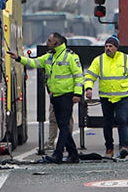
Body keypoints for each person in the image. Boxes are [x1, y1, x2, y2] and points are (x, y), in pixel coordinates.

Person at [9, 32, 83, 164]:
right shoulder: (49, 57)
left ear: (56, 43)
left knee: (64, 125)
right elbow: (34, 62)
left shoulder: (71, 57)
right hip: (55, 96)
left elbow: (78, 76)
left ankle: (58, 154)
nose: (47, 43)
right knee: (62, 125)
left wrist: (77, 94)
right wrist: (19, 58)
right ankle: (73, 155)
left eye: (49, 41)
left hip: (67, 96)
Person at [83, 36, 128, 159]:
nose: (108, 48)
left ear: (116, 48)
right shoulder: (99, 60)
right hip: (106, 97)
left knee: (122, 120)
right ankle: (109, 148)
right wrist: (88, 88)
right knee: (107, 123)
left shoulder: (126, 59)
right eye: (106, 46)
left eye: (111, 46)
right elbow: (90, 75)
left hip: (123, 96)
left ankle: (123, 147)